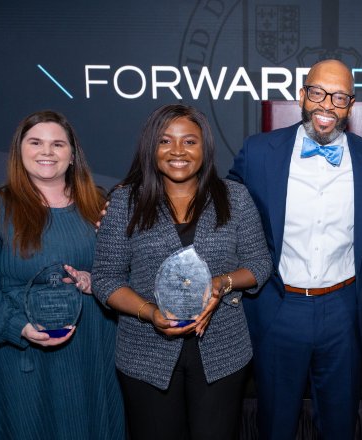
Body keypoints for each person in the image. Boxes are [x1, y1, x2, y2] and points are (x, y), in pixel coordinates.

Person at [227, 58, 362, 439]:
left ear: (350, 106)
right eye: (318, 92)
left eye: (339, 97)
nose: (326, 105)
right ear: (302, 95)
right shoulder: (259, 152)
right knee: (276, 426)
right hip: (278, 306)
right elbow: (217, 208)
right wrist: (141, 199)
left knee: (339, 427)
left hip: (344, 311)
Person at [92, 104, 272, 440]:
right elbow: (105, 278)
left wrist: (222, 284)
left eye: (189, 141)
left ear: (205, 148)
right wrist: (149, 312)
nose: (178, 151)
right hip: (144, 354)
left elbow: (259, 264)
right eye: (165, 141)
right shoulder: (124, 202)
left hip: (223, 352)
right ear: (152, 148)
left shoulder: (235, 198)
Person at [0, 110, 124, 439]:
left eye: (58, 144)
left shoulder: (99, 205)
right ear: (20, 151)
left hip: (93, 349)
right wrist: (20, 328)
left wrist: (94, 280)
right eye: (36, 142)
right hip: (24, 355)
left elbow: (122, 271)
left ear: (72, 156)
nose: (47, 151)